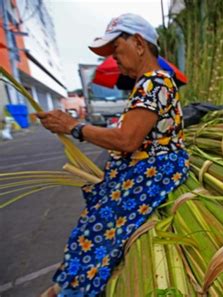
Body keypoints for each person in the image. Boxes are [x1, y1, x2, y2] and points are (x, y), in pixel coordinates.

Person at [37, 13, 189, 296]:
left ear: (139, 44)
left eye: (116, 50)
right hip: (147, 169)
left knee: (95, 232)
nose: (114, 59)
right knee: (94, 221)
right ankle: (72, 286)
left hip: (153, 172)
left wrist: (73, 126)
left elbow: (127, 140)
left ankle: (75, 290)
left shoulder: (153, 82)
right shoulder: (148, 82)